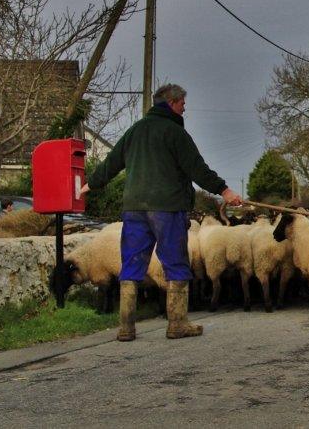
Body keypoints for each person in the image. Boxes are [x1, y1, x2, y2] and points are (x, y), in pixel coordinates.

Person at [79, 84, 242, 341]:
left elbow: (112, 162)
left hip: (134, 209)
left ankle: (126, 327)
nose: (185, 109)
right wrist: (224, 190)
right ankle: (177, 324)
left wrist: (91, 184)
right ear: (172, 103)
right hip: (167, 208)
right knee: (175, 261)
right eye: (183, 104)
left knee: (131, 263)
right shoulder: (174, 132)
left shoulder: (135, 131)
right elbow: (197, 168)